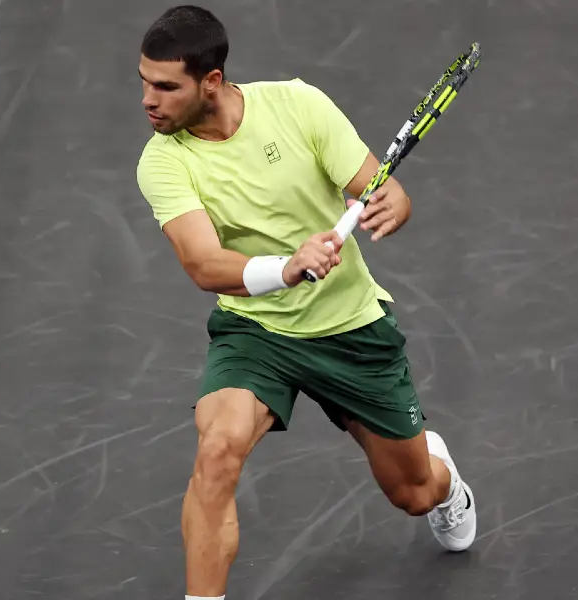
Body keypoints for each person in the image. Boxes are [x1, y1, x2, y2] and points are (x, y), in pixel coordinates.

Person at [133, 5, 477, 599]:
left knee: (413, 492)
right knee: (217, 453)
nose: (148, 99)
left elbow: (379, 186)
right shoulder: (163, 160)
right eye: (144, 81)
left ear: (211, 81)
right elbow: (203, 265)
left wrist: (395, 202)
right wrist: (286, 268)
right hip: (256, 334)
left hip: (350, 330)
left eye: (166, 86)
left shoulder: (298, 106)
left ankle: (445, 483)